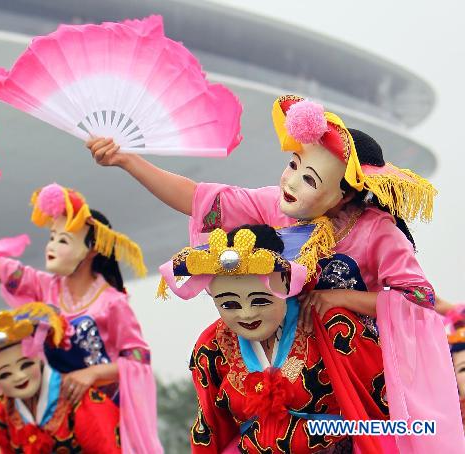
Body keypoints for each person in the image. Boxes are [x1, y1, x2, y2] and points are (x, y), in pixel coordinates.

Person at [87, 95, 464, 451]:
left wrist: (340, 298)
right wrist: (127, 160)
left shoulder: (376, 229)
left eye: (310, 180)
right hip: (280, 331)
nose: (291, 182)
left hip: (351, 358)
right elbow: (200, 199)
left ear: (346, 194)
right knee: (211, 346)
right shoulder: (276, 205)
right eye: (294, 165)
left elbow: (420, 296)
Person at [0, 181, 162, 453]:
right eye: (52, 236)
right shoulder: (44, 286)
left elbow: (138, 359)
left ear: (91, 250)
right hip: (52, 400)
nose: (51, 245)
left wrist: (91, 374)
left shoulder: (112, 303)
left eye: (63, 240)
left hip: (99, 409)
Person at [159, 224, 389, 453]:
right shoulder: (212, 346)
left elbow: (383, 402)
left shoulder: (330, 324)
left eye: (260, 300)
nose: (246, 314)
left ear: (286, 284)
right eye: (229, 304)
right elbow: (210, 427)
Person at [0, 302, 121, 453]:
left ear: (39, 360)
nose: (19, 376)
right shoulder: (5, 410)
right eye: (5, 374)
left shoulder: (77, 397)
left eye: (25, 365)